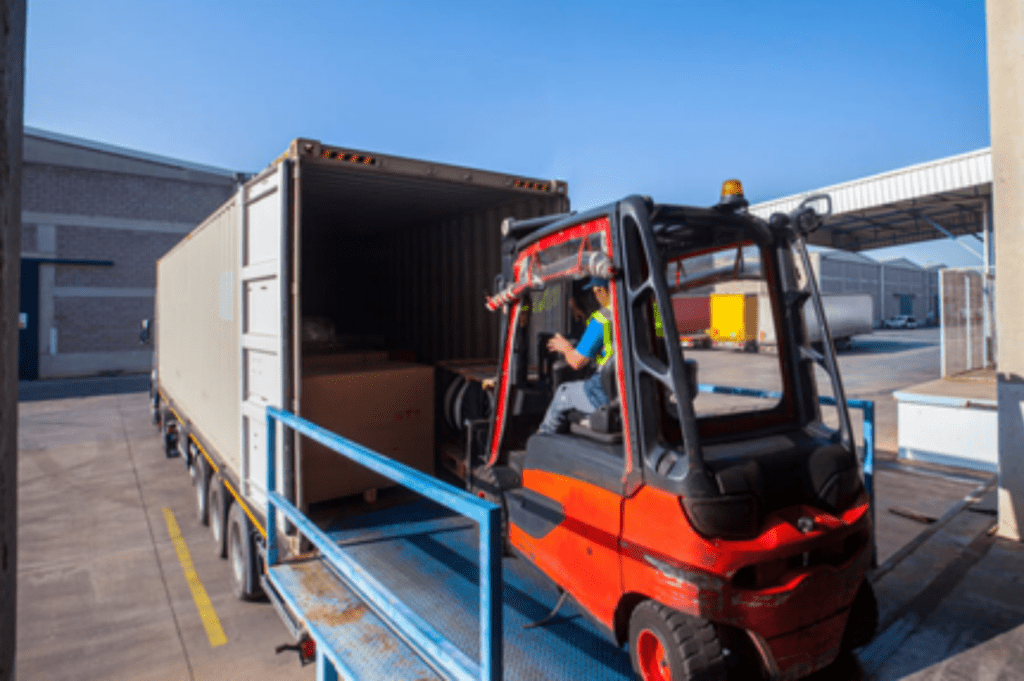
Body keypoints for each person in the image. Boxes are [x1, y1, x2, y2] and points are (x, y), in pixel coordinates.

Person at [537, 276, 614, 435]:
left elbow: (576, 362)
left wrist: (565, 348)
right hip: (629, 388)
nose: (596, 297)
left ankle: (543, 438)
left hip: (604, 393)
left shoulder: (601, 320)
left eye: (596, 292)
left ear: (600, 290)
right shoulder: (647, 311)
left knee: (563, 392)